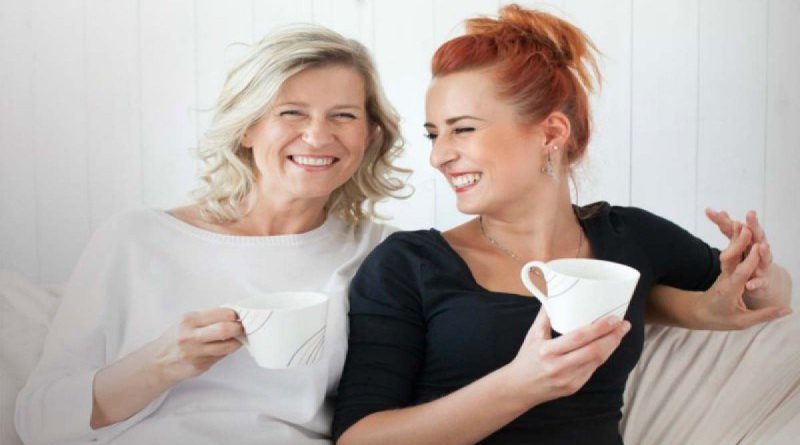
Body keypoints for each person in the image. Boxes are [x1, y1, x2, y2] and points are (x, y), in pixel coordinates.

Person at [332, 5, 793, 445]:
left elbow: (764, 299)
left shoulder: (630, 239)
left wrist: (757, 272)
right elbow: (358, 437)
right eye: (434, 134)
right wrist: (520, 386)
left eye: (463, 129)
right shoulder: (408, 264)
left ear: (551, 133)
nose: (439, 155)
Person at [15, 25, 407, 445]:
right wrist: (163, 362)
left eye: (343, 116)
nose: (317, 136)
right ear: (247, 127)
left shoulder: (383, 254)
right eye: (292, 113)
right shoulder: (135, 240)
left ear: (370, 134)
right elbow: (38, 423)